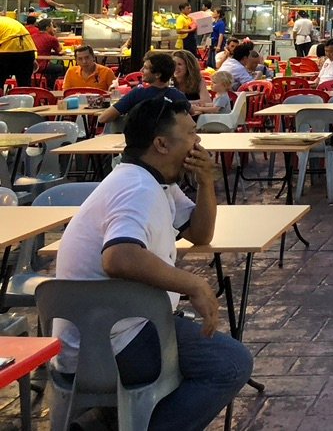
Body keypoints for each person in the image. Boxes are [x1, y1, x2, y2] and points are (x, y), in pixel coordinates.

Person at [53, 97, 253, 431]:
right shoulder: (136, 188)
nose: (198, 142)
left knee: (206, 351)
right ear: (161, 143)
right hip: (108, 345)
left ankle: (108, 422)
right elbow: (119, 257)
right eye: (191, 134)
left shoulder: (153, 181)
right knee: (230, 364)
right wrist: (193, 284)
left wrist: (206, 182)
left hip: (107, 331)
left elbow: (201, 235)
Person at [97, 53, 190, 126]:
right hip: (169, 145)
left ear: (157, 74)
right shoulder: (178, 96)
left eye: (145, 68)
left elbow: (103, 118)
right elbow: (191, 113)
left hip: (140, 146)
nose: (141, 70)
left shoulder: (138, 93)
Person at [0, 14, 37, 87]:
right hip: (28, 51)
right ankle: (25, 97)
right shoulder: (8, 20)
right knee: (24, 84)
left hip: (8, 51)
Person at [30, 18, 67, 88]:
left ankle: (48, 85)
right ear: (47, 28)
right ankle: (52, 88)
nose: (54, 29)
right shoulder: (51, 38)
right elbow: (60, 51)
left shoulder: (32, 36)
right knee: (64, 69)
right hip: (42, 65)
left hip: (32, 65)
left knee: (54, 67)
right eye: (52, 26)